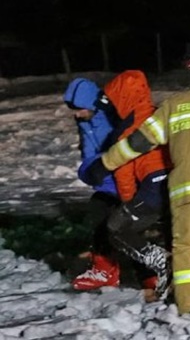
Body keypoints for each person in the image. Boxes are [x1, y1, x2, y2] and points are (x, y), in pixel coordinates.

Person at [83, 55, 190, 315]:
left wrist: (104, 165)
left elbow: (137, 144)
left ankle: (189, 307)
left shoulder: (174, 104)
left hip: (186, 187)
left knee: (185, 245)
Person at [101, 69, 173, 300]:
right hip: (181, 180)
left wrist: (129, 203)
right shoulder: (161, 113)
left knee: (116, 227)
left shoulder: (126, 129)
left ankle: (162, 262)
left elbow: (124, 175)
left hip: (154, 186)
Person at [63, 78, 121, 290]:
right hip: (107, 181)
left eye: (79, 109)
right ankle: (104, 268)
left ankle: (148, 274)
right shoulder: (86, 122)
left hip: (124, 179)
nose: (76, 115)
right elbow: (89, 154)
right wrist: (90, 172)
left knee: (125, 224)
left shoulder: (114, 117)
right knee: (98, 211)